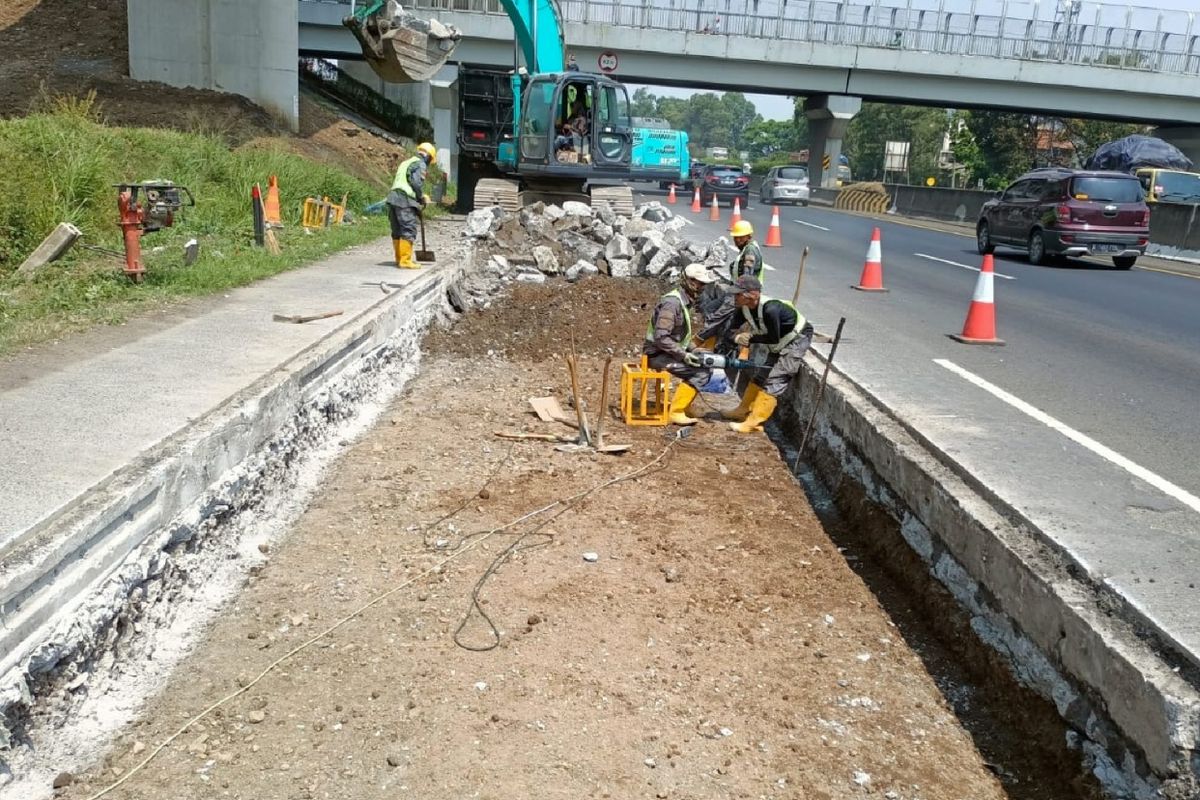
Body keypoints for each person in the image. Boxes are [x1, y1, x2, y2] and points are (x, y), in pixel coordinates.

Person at [720, 275, 814, 434]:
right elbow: (729, 330)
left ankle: (753, 423)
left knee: (776, 378)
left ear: (753, 295)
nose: (735, 297)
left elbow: (773, 337)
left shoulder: (770, 309)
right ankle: (742, 410)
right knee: (760, 375)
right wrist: (736, 337)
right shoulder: (743, 309)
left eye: (738, 294)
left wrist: (750, 338)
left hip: (795, 339)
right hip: (775, 341)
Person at [643, 263, 719, 426]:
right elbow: (662, 337)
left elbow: (679, 337)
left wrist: (694, 350)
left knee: (704, 361)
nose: (702, 287)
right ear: (689, 281)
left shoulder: (683, 301)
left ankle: (683, 406)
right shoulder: (672, 304)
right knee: (701, 372)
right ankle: (676, 412)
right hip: (656, 355)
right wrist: (684, 355)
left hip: (667, 352)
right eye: (700, 283)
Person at [387, 142, 436, 269]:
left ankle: (399, 259)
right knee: (408, 229)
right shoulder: (421, 164)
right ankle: (405, 261)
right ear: (428, 157)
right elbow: (415, 183)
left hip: (393, 197)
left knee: (397, 230)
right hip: (405, 199)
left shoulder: (406, 162)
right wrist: (420, 197)